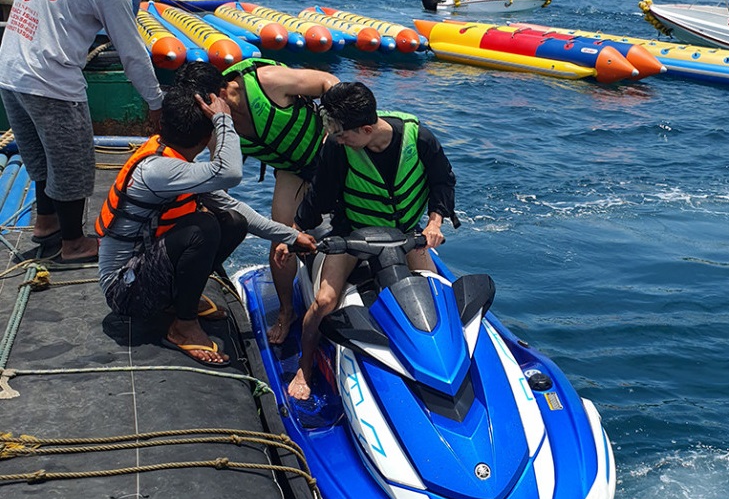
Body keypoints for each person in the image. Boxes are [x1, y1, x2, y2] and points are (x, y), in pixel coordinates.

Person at [96, 85, 316, 365]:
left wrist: (292, 236)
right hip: (125, 292)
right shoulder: (158, 170)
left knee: (232, 222)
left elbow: (233, 208)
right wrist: (224, 121)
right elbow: (231, 172)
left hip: (145, 272)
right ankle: (183, 327)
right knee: (203, 228)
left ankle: (179, 302)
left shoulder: (176, 162)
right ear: (205, 138)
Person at [0, 0, 169, 264]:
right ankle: (74, 243)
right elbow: (133, 54)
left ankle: (46, 225)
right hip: (51, 79)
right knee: (73, 165)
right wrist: (156, 102)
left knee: (41, 159)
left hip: (10, 68)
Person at [290, 81, 458, 399]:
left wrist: (434, 222)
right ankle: (305, 366)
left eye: (342, 133)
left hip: (406, 235)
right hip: (353, 234)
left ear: (366, 129)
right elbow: (319, 194)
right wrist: (295, 230)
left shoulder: (418, 138)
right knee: (324, 301)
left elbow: (443, 181)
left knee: (439, 300)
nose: (336, 138)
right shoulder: (338, 148)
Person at [218, 59, 339, 343]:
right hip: (293, 169)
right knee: (281, 236)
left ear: (223, 92)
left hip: (332, 151)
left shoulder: (268, 81)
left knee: (363, 212)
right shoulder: (216, 120)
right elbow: (220, 170)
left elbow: (327, 81)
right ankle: (287, 311)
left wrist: (335, 131)